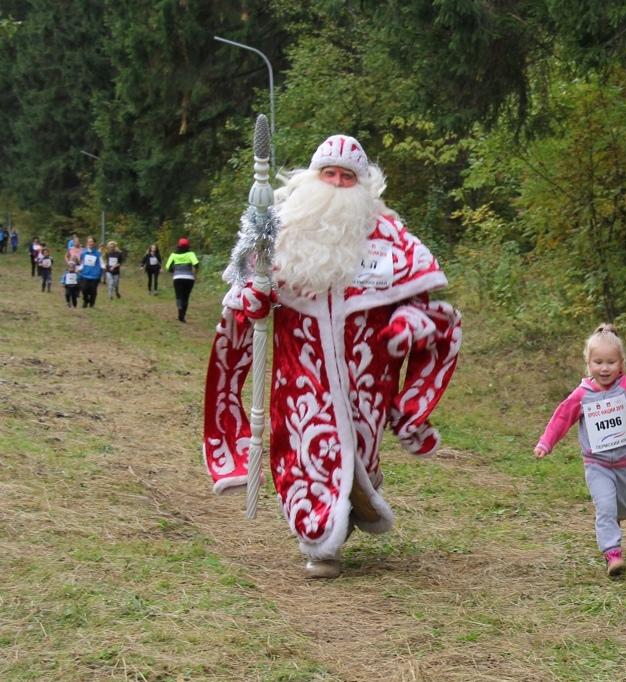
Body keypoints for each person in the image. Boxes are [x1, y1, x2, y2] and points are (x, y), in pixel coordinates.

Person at [203, 133, 462, 579]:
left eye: (347, 176)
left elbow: (422, 300)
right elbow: (245, 293)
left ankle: (350, 503)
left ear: (362, 185)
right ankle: (320, 542)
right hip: (300, 373)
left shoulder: (389, 235)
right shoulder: (277, 227)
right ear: (313, 175)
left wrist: (407, 324)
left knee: (359, 450)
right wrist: (255, 298)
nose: (338, 183)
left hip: (366, 374)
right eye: (330, 173)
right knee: (307, 452)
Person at [534, 324, 626, 577]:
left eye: (610, 362)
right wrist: (546, 442)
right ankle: (612, 553)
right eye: (598, 362)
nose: (604, 368)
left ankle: (613, 523)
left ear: (620, 363)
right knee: (605, 507)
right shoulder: (582, 394)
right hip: (597, 465)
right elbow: (562, 418)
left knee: (620, 509)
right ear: (588, 363)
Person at [165, 238, 199, 322]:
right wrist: (195, 273)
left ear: (178, 246)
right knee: (186, 297)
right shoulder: (191, 254)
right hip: (189, 278)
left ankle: (180, 310)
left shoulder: (174, 254)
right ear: (188, 246)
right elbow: (196, 264)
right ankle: (183, 315)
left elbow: (167, 267)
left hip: (178, 278)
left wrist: (174, 270)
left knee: (179, 296)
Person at [77, 237, 103, 308]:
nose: (90, 243)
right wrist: (79, 269)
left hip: (95, 275)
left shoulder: (98, 253)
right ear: (87, 243)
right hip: (84, 274)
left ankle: (92, 303)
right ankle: (85, 300)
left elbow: (102, 263)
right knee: (84, 289)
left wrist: (105, 268)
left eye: (92, 242)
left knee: (93, 291)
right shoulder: (83, 253)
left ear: (94, 243)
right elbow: (82, 263)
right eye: (89, 242)